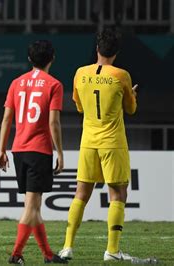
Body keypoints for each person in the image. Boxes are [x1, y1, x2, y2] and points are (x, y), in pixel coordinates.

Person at [58, 28, 138, 262]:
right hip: (112, 142)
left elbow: (80, 107)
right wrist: (132, 96)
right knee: (118, 194)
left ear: (97, 48)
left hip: (89, 141)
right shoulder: (121, 75)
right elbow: (131, 109)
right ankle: (112, 251)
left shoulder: (80, 73)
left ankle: (67, 246)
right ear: (117, 52)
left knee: (81, 193)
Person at [0, 40, 66, 264]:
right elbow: (54, 122)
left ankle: (48, 255)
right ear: (52, 58)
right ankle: (16, 254)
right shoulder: (54, 84)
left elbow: (7, 118)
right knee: (31, 207)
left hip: (19, 150)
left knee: (34, 207)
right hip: (39, 151)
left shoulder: (17, 82)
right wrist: (60, 153)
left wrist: (1, 149)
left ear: (29, 59)